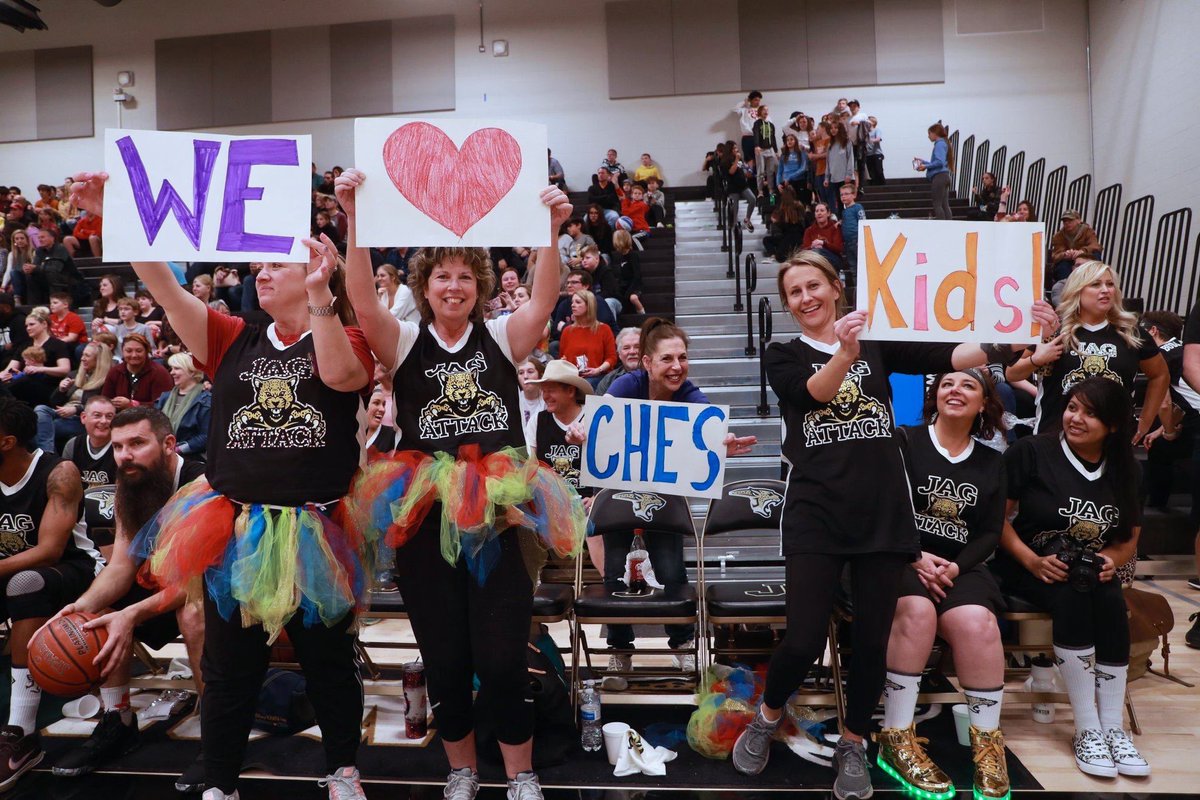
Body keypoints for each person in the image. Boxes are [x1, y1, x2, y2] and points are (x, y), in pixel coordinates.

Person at [70, 169, 377, 800]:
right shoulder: (232, 336)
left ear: (314, 272)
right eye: (257, 265)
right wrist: (113, 217)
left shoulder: (346, 334)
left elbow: (343, 379)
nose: (261, 273)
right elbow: (162, 286)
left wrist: (323, 293)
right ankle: (221, 783)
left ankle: (343, 771)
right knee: (230, 666)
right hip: (236, 522)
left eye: (276, 264)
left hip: (317, 525)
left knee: (328, 665)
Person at [731, 250, 1055, 799]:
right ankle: (766, 717)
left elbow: (951, 352)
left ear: (837, 288)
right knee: (804, 639)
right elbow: (817, 393)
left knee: (873, 642)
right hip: (816, 514)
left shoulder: (876, 340)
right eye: (795, 293)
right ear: (787, 305)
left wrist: (1013, 334)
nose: (806, 298)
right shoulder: (782, 352)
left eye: (815, 286)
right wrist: (845, 352)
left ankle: (855, 741)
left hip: (883, 516)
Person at [338, 168, 584, 800]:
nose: (454, 285)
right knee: (445, 661)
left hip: (499, 515)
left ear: (478, 289)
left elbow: (544, 300)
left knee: (501, 660)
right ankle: (462, 772)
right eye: (442, 275)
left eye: (465, 276)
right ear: (425, 285)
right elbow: (363, 302)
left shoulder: (502, 336)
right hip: (425, 515)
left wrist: (550, 235)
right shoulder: (407, 339)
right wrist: (354, 218)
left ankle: (522, 773)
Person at [993, 378, 1149, 777]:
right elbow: (997, 520)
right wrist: (1031, 560)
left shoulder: (1125, 468)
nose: (1076, 418)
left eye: (1091, 413)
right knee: (1073, 595)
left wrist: (1112, 560)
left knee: (1109, 593)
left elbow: (1128, 539)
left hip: (1087, 569)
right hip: (1026, 565)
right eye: (1073, 408)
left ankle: (1112, 728)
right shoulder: (1031, 451)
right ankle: (1087, 727)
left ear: (1113, 425)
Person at [46, 407, 208, 787]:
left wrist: (132, 614)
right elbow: (121, 566)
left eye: (136, 443)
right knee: (98, 611)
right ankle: (117, 720)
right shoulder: (130, 485)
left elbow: (195, 582)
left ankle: (217, 734)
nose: (125, 455)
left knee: (193, 615)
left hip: (215, 588)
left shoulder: (201, 484)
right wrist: (81, 608)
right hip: (161, 583)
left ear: (168, 444)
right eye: (118, 447)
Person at [877, 370, 1010, 800]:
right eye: (947, 384)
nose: (955, 390)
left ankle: (987, 745)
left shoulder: (992, 462)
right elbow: (883, 504)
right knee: (918, 612)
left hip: (958, 566)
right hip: (898, 555)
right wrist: (916, 557)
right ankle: (895, 737)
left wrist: (953, 568)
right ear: (935, 396)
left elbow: (990, 533)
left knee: (978, 624)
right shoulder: (904, 441)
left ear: (984, 404)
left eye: (969, 386)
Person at [600, 318, 756, 672]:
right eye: (667, 359)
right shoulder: (628, 384)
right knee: (614, 572)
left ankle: (683, 645)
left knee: (672, 569)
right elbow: (600, 417)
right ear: (647, 363)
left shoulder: (688, 391)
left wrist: (723, 443)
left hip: (665, 493)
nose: (677, 367)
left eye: (682, 358)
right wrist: (582, 427)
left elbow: (711, 425)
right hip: (620, 493)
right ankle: (620, 652)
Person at [0, 398, 96, 791]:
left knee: (26, 582)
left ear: (6, 442)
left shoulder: (59, 472)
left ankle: (19, 734)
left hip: (71, 570)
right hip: (7, 570)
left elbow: (49, 550)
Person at [1005, 261, 1168, 437]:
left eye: (1110, 284)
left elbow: (1160, 375)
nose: (1105, 290)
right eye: (1096, 284)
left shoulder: (1132, 332)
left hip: (1112, 439)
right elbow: (1012, 373)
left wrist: (1145, 421)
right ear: (1077, 290)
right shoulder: (1054, 328)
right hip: (1055, 438)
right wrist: (1036, 360)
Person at [35, 341, 113, 454]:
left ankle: (46, 455)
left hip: (81, 419)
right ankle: (48, 452)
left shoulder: (107, 380)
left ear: (98, 359)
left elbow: (103, 406)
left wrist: (76, 410)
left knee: (43, 428)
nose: (82, 358)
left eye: (87, 355)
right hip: (62, 413)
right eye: (82, 355)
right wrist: (61, 390)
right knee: (40, 409)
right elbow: (53, 402)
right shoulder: (74, 375)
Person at [1, 307, 73, 407]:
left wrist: (40, 369)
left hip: (49, 386)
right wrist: (6, 374)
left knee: (25, 381)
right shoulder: (24, 345)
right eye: (26, 326)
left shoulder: (58, 344)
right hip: (23, 384)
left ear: (44, 324)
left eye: (31, 324)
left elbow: (65, 369)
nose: (28, 328)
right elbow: (10, 368)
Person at [155, 352, 211, 460]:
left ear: (191, 372)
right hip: (163, 454)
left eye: (177, 368)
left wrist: (178, 449)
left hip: (192, 458)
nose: (172, 372)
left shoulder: (205, 399)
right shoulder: (165, 397)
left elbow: (206, 436)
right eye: (171, 368)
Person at [559, 290, 617, 388]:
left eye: (578, 302)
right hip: (572, 376)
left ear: (589, 305)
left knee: (586, 384)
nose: (573, 305)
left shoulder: (604, 329)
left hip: (597, 375)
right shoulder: (567, 331)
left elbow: (612, 358)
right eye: (572, 302)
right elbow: (562, 356)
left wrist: (597, 370)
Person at [100, 334, 173, 411]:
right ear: (122, 351)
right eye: (129, 351)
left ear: (146, 352)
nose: (134, 355)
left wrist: (132, 405)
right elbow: (105, 400)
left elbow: (163, 404)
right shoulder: (115, 372)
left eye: (139, 351)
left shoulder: (159, 372)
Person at [61, 395, 117, 492]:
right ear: (83, 417)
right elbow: (65, 486)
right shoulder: (73, 445)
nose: (104, 421)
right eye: (97, 415)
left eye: (109, 416)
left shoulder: (121, 447)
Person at [1050, 210, 1103, 283]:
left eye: (1070, 220)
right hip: (1068, 260)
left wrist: (1082, 251)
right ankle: (1066, 286)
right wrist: (1065, 254)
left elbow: (1095, 246)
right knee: (1061, 266)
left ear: (1078, 220)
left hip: (1086, 258)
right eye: (1064, 221)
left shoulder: (1088, 231)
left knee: (1096, 254)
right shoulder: (1058, 236)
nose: (1067, 223)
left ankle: (1095, 280)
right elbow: (1056, 255)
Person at [917, 123, 954, 220]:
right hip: (944, 176)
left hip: (939, 177)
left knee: (937, 204)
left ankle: (941, 224)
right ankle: (949, 224)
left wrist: (925, 166)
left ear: (935, 133)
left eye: (929, 133)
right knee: (944, 204)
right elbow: (939, 162)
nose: (928, 136)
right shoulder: (944, 143)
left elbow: (939, 162)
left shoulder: (939, 144)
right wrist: (924, 162)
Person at [722, 144, 758, 231]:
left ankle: (747, 219)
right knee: (735, 205)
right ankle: (734, 224)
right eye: (734, 148)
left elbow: (743, 169)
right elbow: (731, 172)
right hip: (733, 186)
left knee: (752, 199)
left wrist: (749, 171)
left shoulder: (739, 159)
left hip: (743, 185)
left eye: (736, 147)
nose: (736, 149)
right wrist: (736, 159)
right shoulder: (725, 161)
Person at [596, 327, 641, 395]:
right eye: (626, 348)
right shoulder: (608, 381)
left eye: (637, 347)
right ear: (619, 354)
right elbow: (597, 404)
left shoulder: (657, 378)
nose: (632, 352)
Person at [611, 230, 645, 315]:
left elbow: (637, 276)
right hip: (624, 286)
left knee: (633, 298)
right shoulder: (621, 256)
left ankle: (642, 314)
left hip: (634, 286)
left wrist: (629, 291)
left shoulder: (633, 255)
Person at [825, 121, 855, 212]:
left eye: (835, 128)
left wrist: (849, 174)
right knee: (839, 203)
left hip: (845, 178)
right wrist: (826, 178)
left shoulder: (847, 142)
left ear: (840, 129)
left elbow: (851, 159)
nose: (833, 130)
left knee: (849, 202)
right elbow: (828, 163)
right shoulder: (830, 145)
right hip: (834, 178)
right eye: (831, 128)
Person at [801, 202, 844, 267]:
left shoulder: (835, 227)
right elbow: (805, 249)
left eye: (822, 210)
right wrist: (812, 246)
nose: (819, 213)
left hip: (834, 259)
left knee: (818, 251)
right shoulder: (809, 230)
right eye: (817, 211)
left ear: (828, 213)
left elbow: (838, 248)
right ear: (814, 215)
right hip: (814, 259)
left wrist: (823, 244)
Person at [839, 183, 865, 285]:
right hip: (848, 242)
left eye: (846, 194)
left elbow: (863, 221)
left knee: (860, 265)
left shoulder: (857, 207)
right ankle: (857, 287)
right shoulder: (844, 211)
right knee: (853, 267)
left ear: (854, 195)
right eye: (841, 195)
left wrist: (861, 238)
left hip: (856, 240)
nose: (843, 196)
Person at [775, 133, 809, 204]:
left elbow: (803, 168)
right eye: (787, 140)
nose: (789, 141)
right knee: (785, 203)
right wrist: (778, 184)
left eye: (791, 139)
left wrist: (790, 177)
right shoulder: (783, 155)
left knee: (799, 203)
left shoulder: (801, 152)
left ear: (796, 141)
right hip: (786, 182)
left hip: (799, 181)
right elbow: (779, 171)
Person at [752, 105, 779, 194]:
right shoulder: (757, 123)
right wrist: (756, 145)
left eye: (767, 110)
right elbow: (755, 134)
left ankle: (771, 190)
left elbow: (773, 138)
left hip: (770, 149)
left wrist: (776, 151)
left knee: (770, 171)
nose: (766, 111)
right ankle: (760, 191)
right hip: (761, 149)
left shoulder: (771, 125)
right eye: (764, 110)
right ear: (760, 111)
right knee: (761, 171)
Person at [734, 91, 764, 163]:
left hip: (759, 137)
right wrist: (745, 101)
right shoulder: (744, 110)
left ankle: (760, 174)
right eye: (756, 100)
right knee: (749, 159)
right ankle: (750, 174)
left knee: (760, 158)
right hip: (747, 137)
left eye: (759, 100)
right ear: (750, 100)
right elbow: (735, 109)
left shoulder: (762, 111)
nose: (758, 102)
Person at [516, 357, 546, 428]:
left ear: (540, 375)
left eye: (530, 372)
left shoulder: (548, 400)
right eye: (521, 373)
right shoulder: (514, 399)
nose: (525, 376)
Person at [864, 115, 885, 185]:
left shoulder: (877, 130)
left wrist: (869, 140)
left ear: (873, 122)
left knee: (879, 170)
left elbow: (878, 139)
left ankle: (883, 185)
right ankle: (873, 186)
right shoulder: (865, 132)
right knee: (870, 172)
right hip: (868, 154)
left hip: (877, 153)